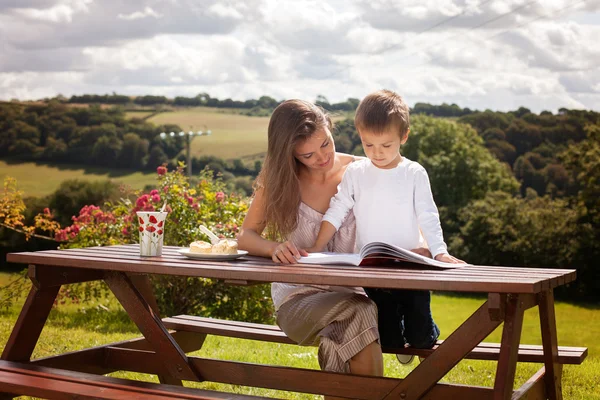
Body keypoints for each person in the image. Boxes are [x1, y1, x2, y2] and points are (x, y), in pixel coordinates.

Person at [237, 99, 385, 399]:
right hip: (297, 299)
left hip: (352, 292)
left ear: (330, 130)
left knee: (343, 331)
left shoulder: (362, 171)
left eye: (325, 144)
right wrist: (273, 247)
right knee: (360, 312)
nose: (322, 157)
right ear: (289, 153)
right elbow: (245, 235)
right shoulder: (281, 181)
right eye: (308, 154)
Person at [308, 89, 464, 360]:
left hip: (412, 266)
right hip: (374, 269)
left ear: (403, 137)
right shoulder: (356, 173)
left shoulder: (414, 173)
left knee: (422, 339)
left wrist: (440, 252)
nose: (377, 153)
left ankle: (424, 332)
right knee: (389, 340)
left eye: (386, 146)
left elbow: (428, 214)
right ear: (360, 136)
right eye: (368, 145)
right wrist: (315, 250)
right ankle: (399, 335)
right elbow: (337, 211)